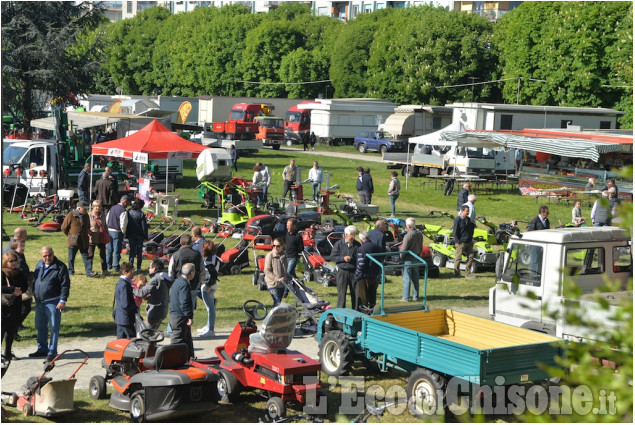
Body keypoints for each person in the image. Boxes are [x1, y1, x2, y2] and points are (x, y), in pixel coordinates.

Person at [31, 246, 70, 362]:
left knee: (54, 327)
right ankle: (42, 348)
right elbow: (35, 280)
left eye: (49, 255)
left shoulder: (60, 267)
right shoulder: (39, 264)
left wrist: (63, 300)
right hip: (39, 302)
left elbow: (65, 285)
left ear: (53, 254)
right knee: (40, 326)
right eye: (45, 256)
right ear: (41, 256)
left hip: (53, 302)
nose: (47, 258)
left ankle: (52, 351)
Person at [168, 234, 208, 311]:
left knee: (178, 307)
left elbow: (171, 271)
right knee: (190, 308)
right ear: (191, 243)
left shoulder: (176, 255)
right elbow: (202, 270)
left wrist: (172, 283)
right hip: (193, 284)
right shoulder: (197, 255)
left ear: (180, 243)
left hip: (179, 284)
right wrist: (202, 282)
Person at [61, 200, 97, 277]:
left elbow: (88, 226)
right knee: (71, 257)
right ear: (79, 208)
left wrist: (89, 231)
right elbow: (64, 227)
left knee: (86, 257)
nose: (86, 210)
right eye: (85, 209)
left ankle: (89, 272)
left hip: (83, 240)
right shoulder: (70, 215)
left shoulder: (86, 216)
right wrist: (70, 235)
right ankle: (71, 271)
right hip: (73, 240)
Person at [134, 259, 170, 330]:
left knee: (145, 334)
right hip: (162, 311)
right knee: (152, 335)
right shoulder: (165, 278)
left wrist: (130, 289)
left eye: (149, 268)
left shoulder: (156, 279)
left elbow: (142, 293)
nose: (149, 269)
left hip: (154, 312)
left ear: (153, 269)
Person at [170, 263, 196, 359]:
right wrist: (189, 316)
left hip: (175, 316)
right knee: (178, 341)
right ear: (191, 273)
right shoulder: (184, 284)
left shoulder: (177, 282)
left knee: (186, 339)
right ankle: (171, 360)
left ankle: (188, 358)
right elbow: (184, 302)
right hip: (180, 317)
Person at [2, 251, 25, 360]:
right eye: (11, 261)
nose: (14, 263)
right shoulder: (2, 273)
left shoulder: (19, 272)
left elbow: (25, 285)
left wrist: (20, 291)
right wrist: (12, 289)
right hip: (3, 307)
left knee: (11, 330)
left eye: (15, 260)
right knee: (1, 330)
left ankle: (7, 352)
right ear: (5, 262)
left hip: (15, 305)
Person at [331, 225, 360, 309]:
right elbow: (333, 256)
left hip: (353, 271)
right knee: (341, 293)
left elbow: (359, 258)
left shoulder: (357, 245)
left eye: (354, 235)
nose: (353, 237)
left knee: (355, 293)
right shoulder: (339, 244)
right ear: (346, 235)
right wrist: (343, 259)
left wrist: (352, 259)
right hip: (342, 271)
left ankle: (356, 311)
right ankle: (340, 312)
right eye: (351, 235)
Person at [354, 231, 382, 311]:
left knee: (364, 298)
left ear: (361, 240)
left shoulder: (362, 248)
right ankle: (373, 312)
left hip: (364, 276)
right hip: (374, 275)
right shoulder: (377, 247)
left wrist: (357, 274)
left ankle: (365, 314)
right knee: (372, 295)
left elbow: (361, 264)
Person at [198, 241, 219, 338]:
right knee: (209, 308)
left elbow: (213, 273)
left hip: (208, 286)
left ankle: (211, 329)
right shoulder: (215, 258)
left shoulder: (209, 259)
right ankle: (208, 326)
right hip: (211, 285)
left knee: (210, 309)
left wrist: (209, 285)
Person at [400, 217, 423, 301]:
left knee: (407, 278)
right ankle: (415, 296)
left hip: (408, 259)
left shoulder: (408, 236)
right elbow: (421, 247)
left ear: (408, 226)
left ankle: (405, 297)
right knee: (415, 279)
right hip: (416, 258)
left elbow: (403, 250)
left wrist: (401, 257)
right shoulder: (419, 234)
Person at [114, 262, 137, 339]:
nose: (133, 272)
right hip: (126, 319)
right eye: (131, 271)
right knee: (132, 340)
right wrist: (135, 308)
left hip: (121, 318)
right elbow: (125, 304)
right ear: (124, 272)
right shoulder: (124, 285)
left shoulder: (121, 283)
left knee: (120, 342)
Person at [106, 195, 129, 273]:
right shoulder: (123, 210)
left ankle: (108, 265)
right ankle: (116, 266)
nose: (128, 204)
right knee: (116, 250)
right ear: (125, 201)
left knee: (109, 249)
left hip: (109, 231)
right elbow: (123, 223)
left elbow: (107, 218)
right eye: (128, 202)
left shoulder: (112, 208)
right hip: (117, 232)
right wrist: (123, 232)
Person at [125, 198, 148, 273]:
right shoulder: (141, 213)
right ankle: (138, 267)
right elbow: (144, 227)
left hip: (131, 234)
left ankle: (130, 266)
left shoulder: (128, 212)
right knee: (139, 252)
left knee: (132, 251)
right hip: (139, 235)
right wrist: (145, 236)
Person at [453, 205, 476, 278]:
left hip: (469, 242)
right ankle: (457, 273)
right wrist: (458, 241)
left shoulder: (468, 219)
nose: (468, 212)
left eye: (468, 211)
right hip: (461, 243)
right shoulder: (457, 220)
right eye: (467, 211)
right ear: (462, 211)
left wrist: (471, 238)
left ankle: (468, 273)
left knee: (471, 257)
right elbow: (455, 232)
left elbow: (470, 230)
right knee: (458, 258)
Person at [264, 237, 288, 307]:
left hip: (282, 284)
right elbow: (267, 271)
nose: (275, 247)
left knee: (278, 302)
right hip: (272, 283)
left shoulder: (284, 255)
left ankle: (276, 316)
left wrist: (287, 277)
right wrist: (277, 279)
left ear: (282, 246)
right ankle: (274, 316)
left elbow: (286, 269)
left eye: (278, 246)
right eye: (273, 245)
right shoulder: (270, 256)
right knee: (277, 301)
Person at [88, 200, 109, 276]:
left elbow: (105, 225)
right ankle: (89, 270)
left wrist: (106, 233)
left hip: (101, 237)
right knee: (90, 255)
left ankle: (104, 270)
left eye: (99, 206)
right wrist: (89, 232)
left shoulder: (103, 215)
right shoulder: (89, 215)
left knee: (103, 254)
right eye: (96, 206)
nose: (97, 208)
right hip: (92, 237)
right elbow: (87, 226)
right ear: (93, 207)